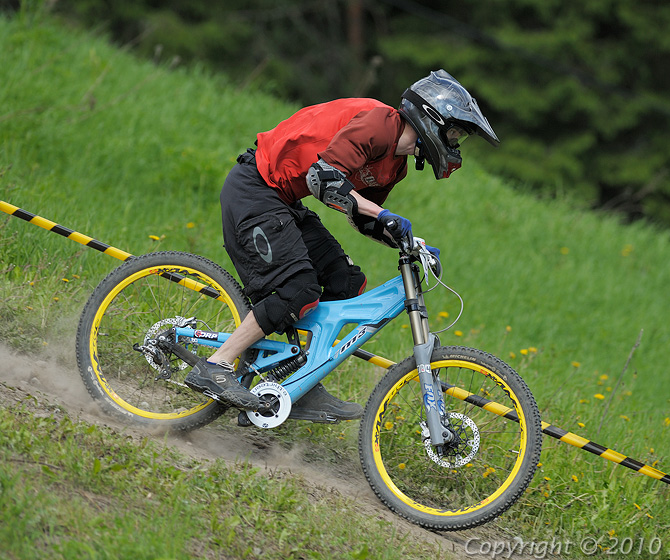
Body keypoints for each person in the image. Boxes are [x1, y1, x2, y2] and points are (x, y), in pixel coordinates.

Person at [185, 69, 500, 421]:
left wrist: (407, 241)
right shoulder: (381, 123)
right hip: (256, 189)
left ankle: (295, 380)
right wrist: (384, 214)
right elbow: (323, 178)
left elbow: (361, 215)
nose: (455, 143)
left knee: (345, 282)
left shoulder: (395, 167)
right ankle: (216, 364)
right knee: (296, 289)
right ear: (433, 120)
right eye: (455, 133)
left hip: (286, 203)